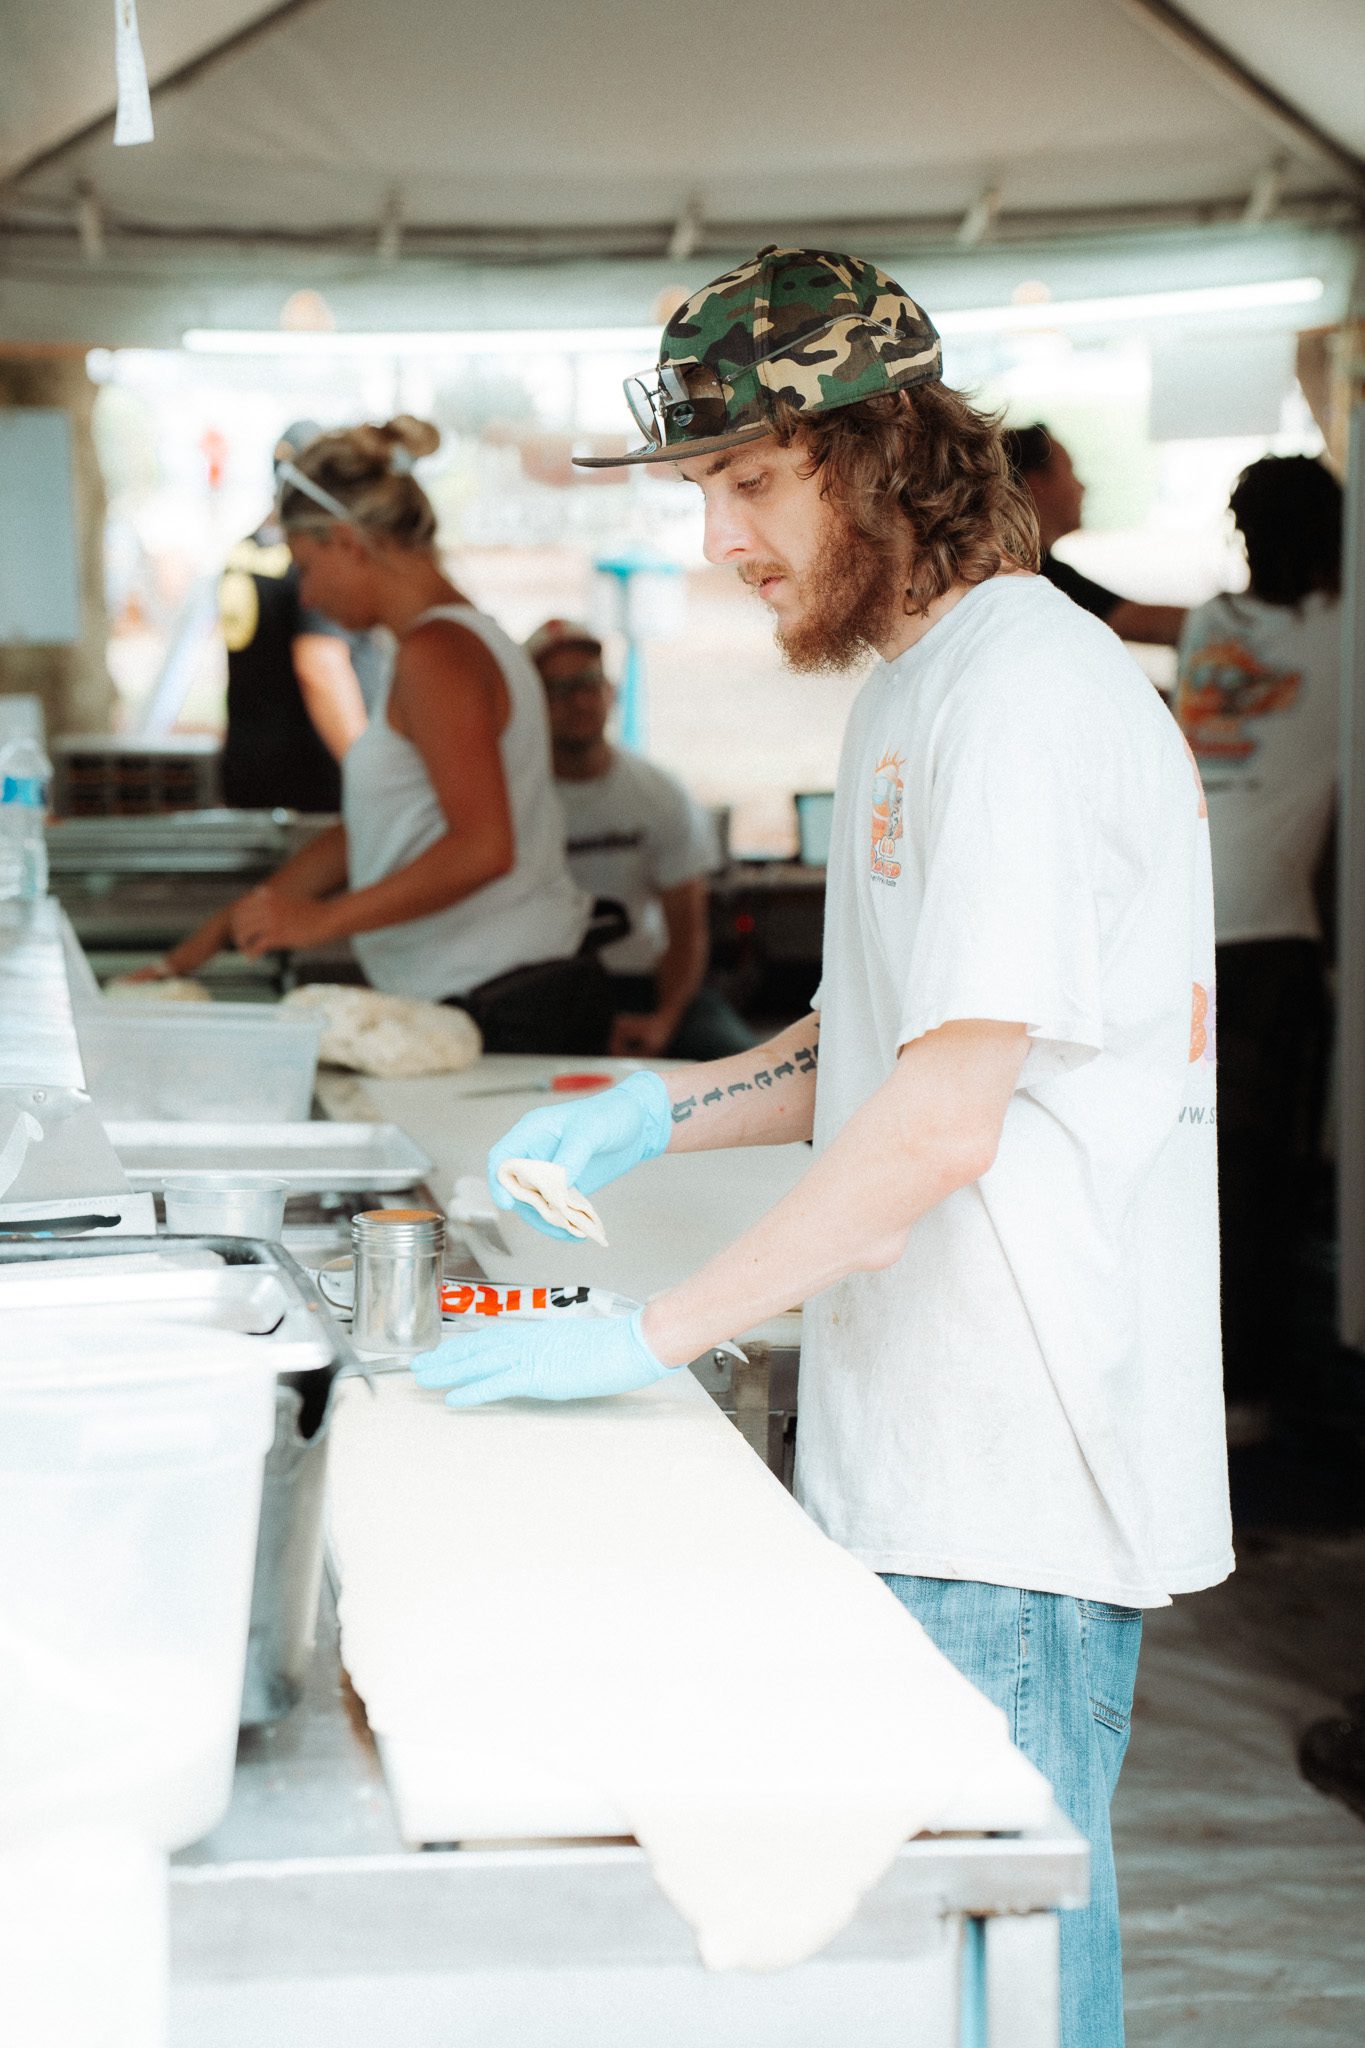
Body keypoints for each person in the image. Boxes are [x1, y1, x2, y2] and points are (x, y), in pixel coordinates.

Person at [409, 247, 1232, 2048]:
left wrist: (648, 1332)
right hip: (918, 1431)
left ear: (878, 449)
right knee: (926, 1956)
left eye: (749, 482)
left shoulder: (1025, 694)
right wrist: (656, 1109)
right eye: (708, 490)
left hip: (1017, 1457)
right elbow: (868, 1041)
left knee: (990, 1964)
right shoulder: (911, 692)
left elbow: (936, 1123)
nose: (719, 540)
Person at [144, 416, 607, 1053]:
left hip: (505, 999)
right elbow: (376, 825)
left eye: (307, 565)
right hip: (486, 992)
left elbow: (482, 848)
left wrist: (321, 921)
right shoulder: (446, 641)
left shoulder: (437, 651)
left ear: (346, 541)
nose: (307, 591)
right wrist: (233, 923)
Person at [1176, 454, 1342, 1432]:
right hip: (1273, 941)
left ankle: (1206, 1376)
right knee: (1264, 1178)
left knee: (1198, 1167)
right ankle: (1246, 1397)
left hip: (1185, 935)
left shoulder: (1208, 626)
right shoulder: (1338, 636)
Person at [525, 616, 756, 1061]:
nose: (578, 701)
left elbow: (687, 930)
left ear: (611, 691)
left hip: (646, 980)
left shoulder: (658, 793)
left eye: (589, 682)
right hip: (544, 988)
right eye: (557, 690)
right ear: (531, 703)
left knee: (741, 1061)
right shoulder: (513, 803)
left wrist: (665, 1019)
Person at [218, 420, 371, 811]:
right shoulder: (313, 555)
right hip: (312, 783)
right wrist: (370, 775)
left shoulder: (246, 550)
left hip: (251, 772)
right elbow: (320, 665)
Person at [1002, 423, 1185, 647]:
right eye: (1070, 471)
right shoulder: (1030, 573)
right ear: (1037, 484)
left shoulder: (1016, 564)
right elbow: (1131, 620)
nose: (1082, 487)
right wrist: (1221, 619)